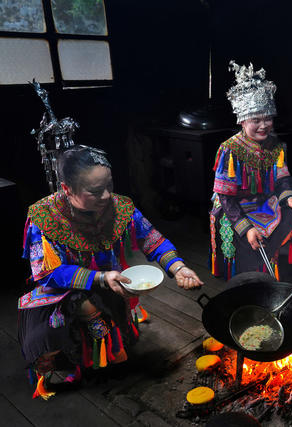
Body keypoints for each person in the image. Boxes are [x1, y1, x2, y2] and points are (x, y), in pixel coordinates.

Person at [18, 146, 203, 398]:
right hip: (66, 291)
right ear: (67, 189)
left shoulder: (119, 207)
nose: (106, 195)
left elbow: (151, 238)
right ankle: (77, 360)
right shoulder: (45, 218)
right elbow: (48, 272)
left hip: (112, 283)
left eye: (109, 185)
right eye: (95, 191)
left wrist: (178, 267)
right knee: (85, 311)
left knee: (115, 323)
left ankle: (112, 347)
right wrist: (100, 278)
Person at [210, 60, 292, 278]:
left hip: (266, 202)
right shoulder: (229, 150)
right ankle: (251, 278)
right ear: (242, 121)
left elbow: (283, 179)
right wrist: (246, 228)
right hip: (235, 206)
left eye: (268, 118)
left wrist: (289, 199)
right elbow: (225, 197)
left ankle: (273, 269)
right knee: (246, 236)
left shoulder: (276, 145)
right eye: (256, 119)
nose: (263, 125)